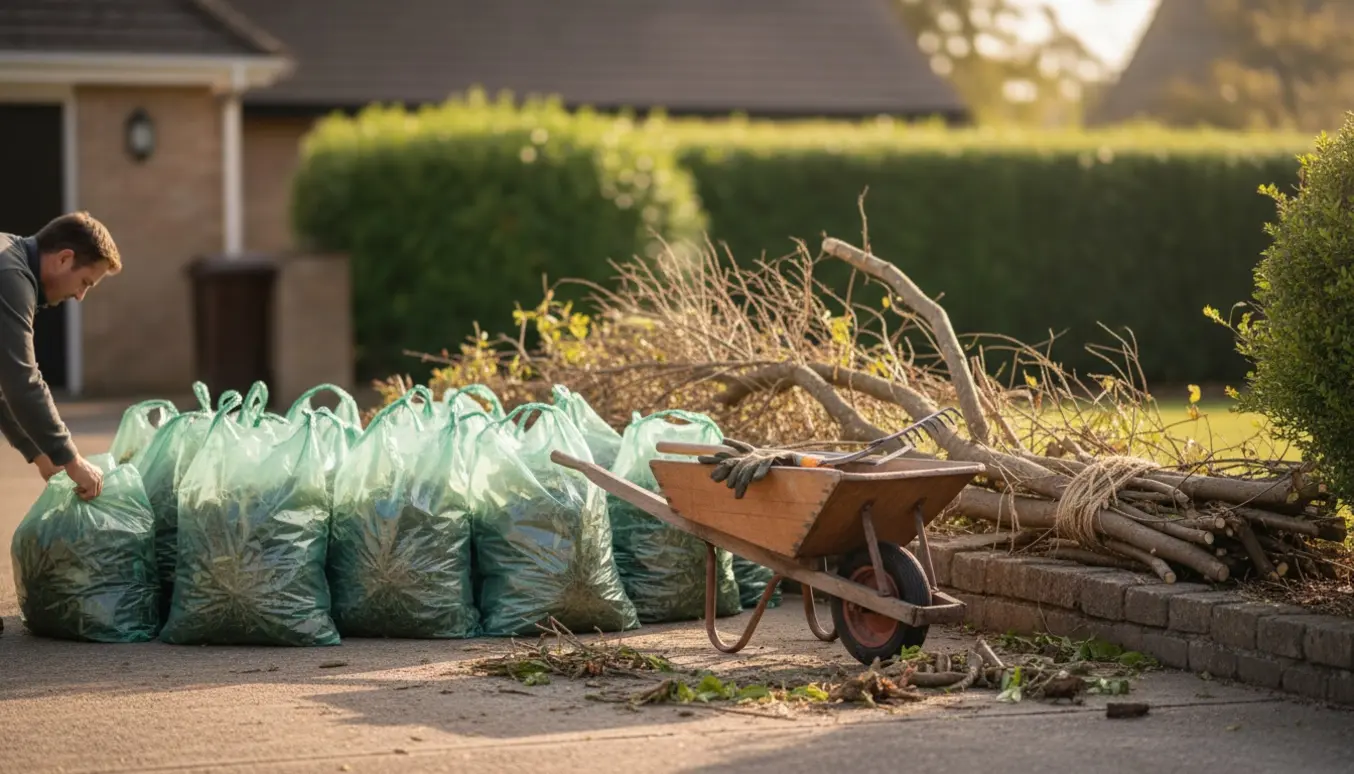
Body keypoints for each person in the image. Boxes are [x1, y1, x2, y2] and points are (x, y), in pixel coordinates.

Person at [0, 211, 122, 501]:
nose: (80, 296)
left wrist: (42, 455)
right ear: (64, 259)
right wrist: (72, 460)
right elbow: (21, 381)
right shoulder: (10, 277)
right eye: (85, 282)